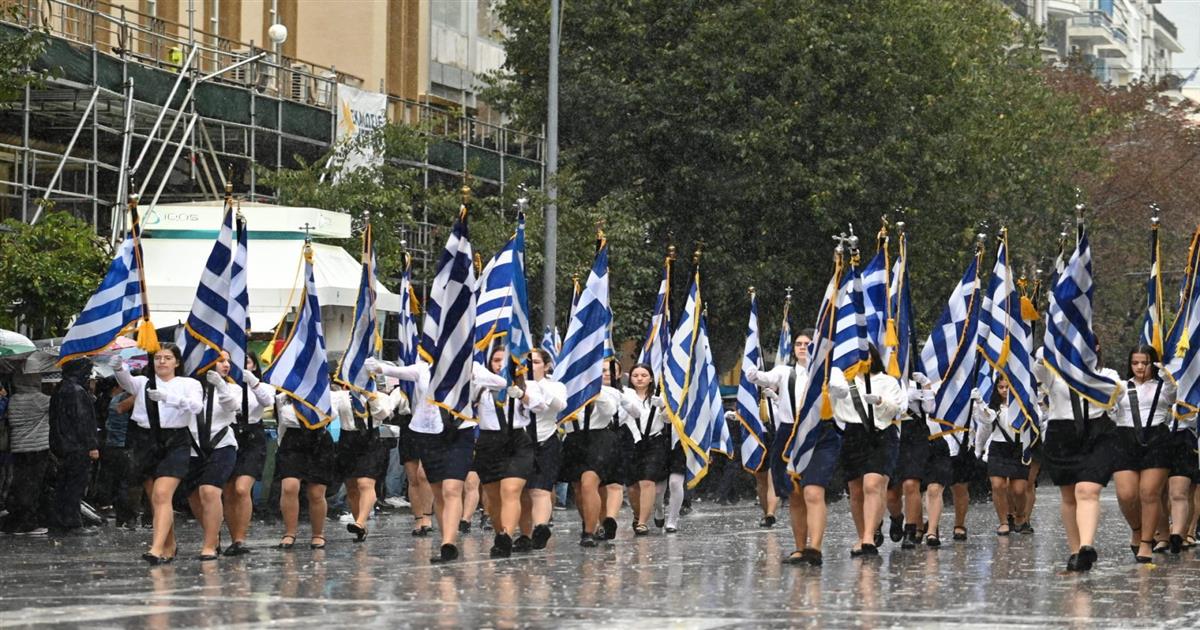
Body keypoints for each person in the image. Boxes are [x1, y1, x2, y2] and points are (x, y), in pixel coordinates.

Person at [365, 355, 478, 563]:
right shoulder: (423, 370)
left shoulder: (469, 366)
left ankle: (449, 543)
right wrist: (375, 365)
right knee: (438, 491)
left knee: (452, 488)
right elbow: (394, 371)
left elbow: (499, 382)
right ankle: (446, 538)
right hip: (429, 434)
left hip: (459, 431)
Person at [112, 344, 204, 564]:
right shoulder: (144, 382)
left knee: (163, 494)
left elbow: (196, 407)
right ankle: (169, 544)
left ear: (177, 362)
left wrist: (168, 398)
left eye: (168, 358)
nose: (162, 362)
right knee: (156, 499)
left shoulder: (188, 383)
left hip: (175, 440)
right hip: (147, 440)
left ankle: (155, 548)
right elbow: (126, 381)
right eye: (158, 358)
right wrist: (118, 367)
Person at [1033, 344, 1120, 572]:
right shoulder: (1055, 374)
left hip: (1097, 433)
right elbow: (1038, 367)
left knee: (1087, 491)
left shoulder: (1107, 374)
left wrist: (1084, 374)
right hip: (1062, 434)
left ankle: (1086, 546)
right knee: (1069, 496)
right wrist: (1051, 345)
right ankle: (1075, 551)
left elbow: (1114, 392)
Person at [830, 345, 905, 557]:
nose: (861, 360)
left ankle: (870, 536)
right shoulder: (843, 382)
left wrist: (880, 401)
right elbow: (829, 406)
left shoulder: (887, 381)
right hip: (853, 435)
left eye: (866, 355)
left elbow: (897, 409)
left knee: (872, 485)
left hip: (881, 435)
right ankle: (862, 534)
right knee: (855, 491)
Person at [1109, 345, 1174, 562]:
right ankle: (1137, 529)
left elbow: (1173, 396)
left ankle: (1146, 542)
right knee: (1126, 495)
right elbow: (1107, 406)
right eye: (1135, 363)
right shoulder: (1121, 386)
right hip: (1125, 438)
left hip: (1156, 438)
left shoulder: (1163, 386)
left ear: (1152, 363)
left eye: (1144, 363)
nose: (1139, 367)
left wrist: (1166, 374)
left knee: (1149, 493)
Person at [472, 346, 534, 558]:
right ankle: (500, 535)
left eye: (504, 360)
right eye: (496, 360)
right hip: (489, 442)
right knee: (493, 497)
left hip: (517, 441)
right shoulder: (480, 386)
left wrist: (522, 395)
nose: (500, 365)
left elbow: (541, 405)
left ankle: (507, 536)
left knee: (510, 490)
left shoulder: (526, 385)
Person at [559, 359, 623, 547]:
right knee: (579, 488)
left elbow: (609, 410)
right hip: (574, 439)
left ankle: (588, 532)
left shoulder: (609, 391)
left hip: (599, 439)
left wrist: (595, 392)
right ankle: (593, 522)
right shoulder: (566, 388)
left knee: (589, 483)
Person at [334, 370, 401, 543]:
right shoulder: (341, 396)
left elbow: (383, 414)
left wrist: (370, 397)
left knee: (365, 483)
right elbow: (330, 413)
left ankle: (360, 521)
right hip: (348, 439)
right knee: (351, 486)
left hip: (371, 439)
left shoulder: (380, 396)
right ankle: (360, 526)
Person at [186, 352, 240, 560]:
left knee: (209, 490)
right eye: (220, 361)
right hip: (193, 446)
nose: (226, 365)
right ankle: (213, 533)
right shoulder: (191, 386)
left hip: (222, 444)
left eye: (227, 361)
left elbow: (233, 407)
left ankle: (209, 545)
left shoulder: (232, 388)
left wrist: (220, 385)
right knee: (193, 495)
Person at [273, 384, 337, 552]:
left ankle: (318, 533)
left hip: (319, 439)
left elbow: (331, 415)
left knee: (316, 493)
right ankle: (289, 532)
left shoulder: (325, 394)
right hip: (292, 440)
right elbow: (284, 420)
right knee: (289, 487)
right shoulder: (283, 396)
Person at [222, 352, 275, 556]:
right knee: (228, 491)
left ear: (253, 365)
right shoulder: (224, 385)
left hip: (252, 436)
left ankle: (240, 538)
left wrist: (252, 382)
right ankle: (233, 537)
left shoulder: (262, 386)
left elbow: (267, 400)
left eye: (247, 362)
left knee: (242, 489)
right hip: (230, 433)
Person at [516, 349, 566, 551]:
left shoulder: (555, 386)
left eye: (535, 362)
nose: (530, 366)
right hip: (520, 442)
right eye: (526, 362)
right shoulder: (514, 385)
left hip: (545, 440)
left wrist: (539, 386)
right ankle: (524, 535)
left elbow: (560, 405)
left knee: (540, 489)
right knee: (521, 491)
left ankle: (540, 528)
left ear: (546, 366)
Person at [48, 357, 100, 536]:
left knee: (64, 484)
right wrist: (92, 445)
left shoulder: (60, 389)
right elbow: (83, 421)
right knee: (74, 485)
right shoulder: (77, 391)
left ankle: (60, 521)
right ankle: (72, 523)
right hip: (77, 446)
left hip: (62, 444)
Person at [973, 380, 1032, 538]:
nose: (1005, 390)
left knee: (1018, 490)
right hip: (998, 448)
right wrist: (978, 448)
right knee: (998, 485)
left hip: (1019, 447)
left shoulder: (1024, 404)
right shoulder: (993, 407)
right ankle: (1003, 521)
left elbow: (1035, 420)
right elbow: (985, 424)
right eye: (1001, 387)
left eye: (1008, 387)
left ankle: (1020, 516)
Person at [619, 363, 670, 536]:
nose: (639, 379)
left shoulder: (660, 395)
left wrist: (663, 406)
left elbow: (669, 420)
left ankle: (642, 522)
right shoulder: (624, 394)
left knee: (647, 481)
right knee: (632, 485)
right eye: (635, 375)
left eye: (644, 375)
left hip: (654, 442)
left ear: (651, 378)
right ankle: (637, 514)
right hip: (630, 441)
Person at [0, 371, 51, 537]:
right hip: (37, 447)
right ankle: (27, 523)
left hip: (18, 448)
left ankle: (15, 520)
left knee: (20, 484)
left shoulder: (13, 399)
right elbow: (59, 406)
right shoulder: (40, 399)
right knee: (32, 486)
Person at [886, 374, 934, 549]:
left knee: (911, 483)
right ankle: (896, 517)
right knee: (891, 493)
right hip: (890, 430)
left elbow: (929, 408)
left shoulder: (916, 379)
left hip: (915, 432)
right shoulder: (885, 378)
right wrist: (902, 398)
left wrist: (925, 386)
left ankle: (910, 530)